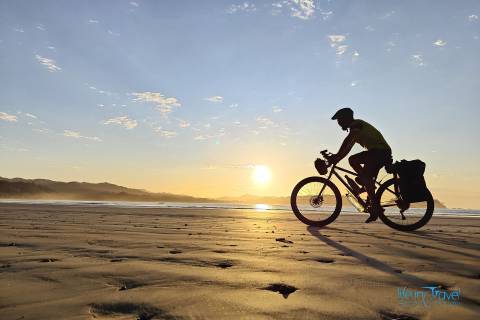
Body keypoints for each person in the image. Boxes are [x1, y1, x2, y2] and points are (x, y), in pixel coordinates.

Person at [328, 107, 392, 223]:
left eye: (339, 120)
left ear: (345, 119)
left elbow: (347, 141)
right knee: (356, 164)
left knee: (354, 161)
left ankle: (374, 205)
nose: (338, 123)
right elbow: (347, 148)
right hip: (379, 152)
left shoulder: (356, 125)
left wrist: (337, 156)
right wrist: (337, 158)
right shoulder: (355, 129)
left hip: (379, 152)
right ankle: (368, 187)